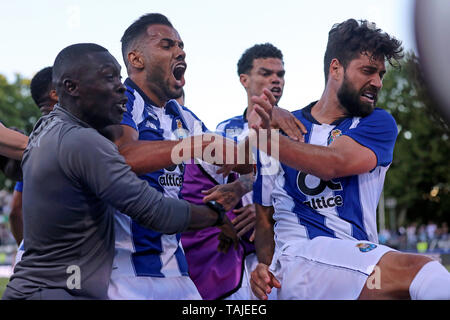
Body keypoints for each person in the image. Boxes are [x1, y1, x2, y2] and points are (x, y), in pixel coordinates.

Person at [2, 43, 237, 300]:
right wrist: (217, 216)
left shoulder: (45, 129)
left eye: (118, 76)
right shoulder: (82, 142)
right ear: (70, 87)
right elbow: (156, 212)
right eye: (108, 77)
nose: (120, 86)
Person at [249, 19, 450, 300]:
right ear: (336, 68)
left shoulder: (378, 123)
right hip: (301, 262)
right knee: (426, 273)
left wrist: (265, 139)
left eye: (380, 73)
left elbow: (334, 163)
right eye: (368, 71)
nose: (377, 82)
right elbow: (264, 217)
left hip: (353, 268)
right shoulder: (279, 130)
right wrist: (265, 266)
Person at [105, 13, 241, 300]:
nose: (180, 52)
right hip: (124, 275)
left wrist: (243, 183)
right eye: (167, 45)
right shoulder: (121, 100)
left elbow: (244, 159)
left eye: (181, 47)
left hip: (177, 272)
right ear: (136, 59)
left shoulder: (183, 117)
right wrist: (195, 145)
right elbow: (123, 156)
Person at [181, 43, 305, 300]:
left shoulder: (297, 127)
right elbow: (219, 180)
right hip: (234, 247)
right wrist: (227, 208)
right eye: (266, 73)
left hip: (281, 240)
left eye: (280, 74)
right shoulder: (223, 130)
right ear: (244, 79)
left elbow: (298, 184)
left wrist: (261, 207)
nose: (275, 80)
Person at [9, 66, 58, 247]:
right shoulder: (59, 139)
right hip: (67, 259)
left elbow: (16, 209)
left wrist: (25, 248)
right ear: (56, 93)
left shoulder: (37, 139)